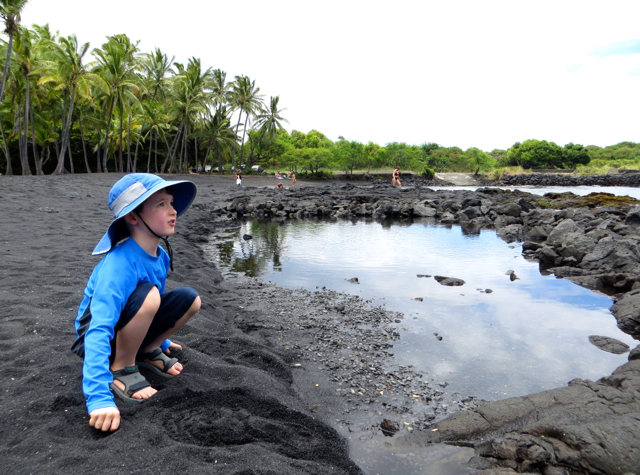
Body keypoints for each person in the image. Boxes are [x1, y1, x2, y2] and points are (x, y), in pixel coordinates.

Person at [71, 173, 201, 432]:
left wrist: (160, 341)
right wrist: (98, 399)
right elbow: (98, 327)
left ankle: (147, 349)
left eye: (172, 203)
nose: (173, 210)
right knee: (150, 294)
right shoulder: (119, 264)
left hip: (128, 326)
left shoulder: (161, 255)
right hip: (97, 339)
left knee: (190, 299)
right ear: (133, 217)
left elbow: (152, 307)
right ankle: (121, 368)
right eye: (161, 204)